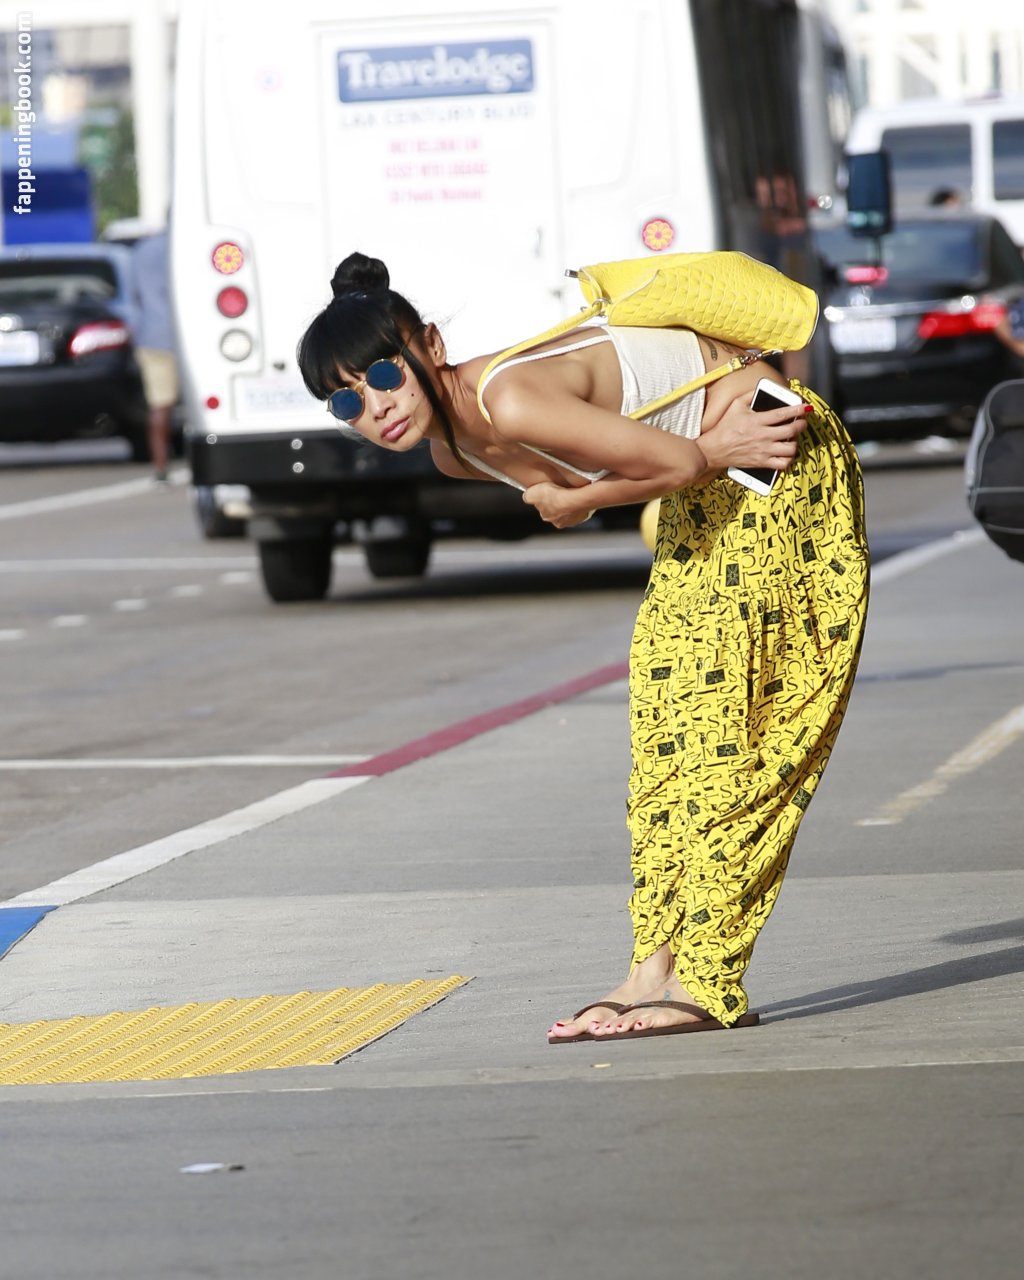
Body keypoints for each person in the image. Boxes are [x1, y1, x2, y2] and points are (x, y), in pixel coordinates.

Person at [297, 252, 869, 1041]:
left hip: (774, 453)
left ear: (430, 345)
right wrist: (597, 491)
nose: (376, 406)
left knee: (729, 737)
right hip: (708, 483)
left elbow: (670, 460)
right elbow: (661, 464)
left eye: (384, 375)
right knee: (664, 742)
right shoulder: (453, 452)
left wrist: (581, 503)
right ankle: (650, 970)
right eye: (345, 401)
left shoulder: (508, 398)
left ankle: (708, 977)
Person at [131, 228, 179, 483]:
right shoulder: (184, 242)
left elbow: (135, 294)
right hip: (186, 334)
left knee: (160, 405)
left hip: (153, 335)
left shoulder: (142, 249)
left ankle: (160, 469)